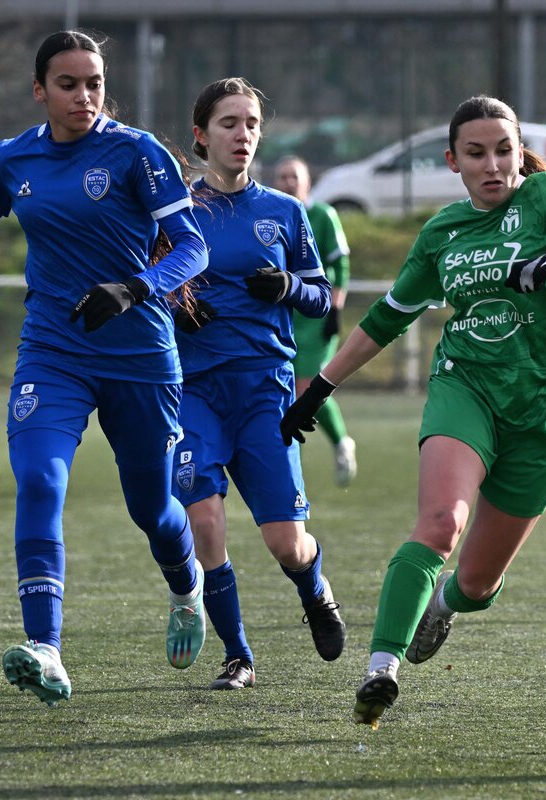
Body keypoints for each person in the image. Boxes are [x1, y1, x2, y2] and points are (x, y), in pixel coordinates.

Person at [280, 95, 546, 727]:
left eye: (504, 151)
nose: (493, 165)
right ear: (453, 162)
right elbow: (386, 320)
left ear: (518, 154)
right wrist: (318, 389)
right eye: (476, 154)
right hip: (466, 387)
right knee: (439, 524)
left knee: (477, 582)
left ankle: (446, 604)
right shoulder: (442, 234)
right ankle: (380, 671)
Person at [0, 30, 211, 707]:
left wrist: (134, 288)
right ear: (39, 90)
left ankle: (185, 585)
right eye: (67, 84)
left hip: (141, 357)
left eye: (94, 83)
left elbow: (193, 248)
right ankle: (45, 648)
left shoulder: (137, 152)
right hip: (53, 352)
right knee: (39, 479)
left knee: (151, 510)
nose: (84, 96)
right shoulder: (13, 157)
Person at [171, 78, 345, 691]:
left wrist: (289, 287)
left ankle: (315, 589)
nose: (242, 134)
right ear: (201, 135)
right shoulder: (176, 214)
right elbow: (153, 288)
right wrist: (178, 307)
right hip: (193, 390)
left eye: (251, 123)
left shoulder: (284, 211)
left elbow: (322, 296)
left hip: (264, 391)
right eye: (229, 123)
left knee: (286, 544)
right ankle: (237, 655)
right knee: (205, 523)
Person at [273, 155, 357, 487]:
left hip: (317, 316)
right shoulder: (273, 215)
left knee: (307, 386)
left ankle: (340, 443)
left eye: (294, 176)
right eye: (282, 176)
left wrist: (335, 309)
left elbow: (340, 266)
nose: (288, 182)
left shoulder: (323, 215)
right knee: (287, 390)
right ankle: (290, 462)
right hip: (285, 317)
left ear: (308, 181)